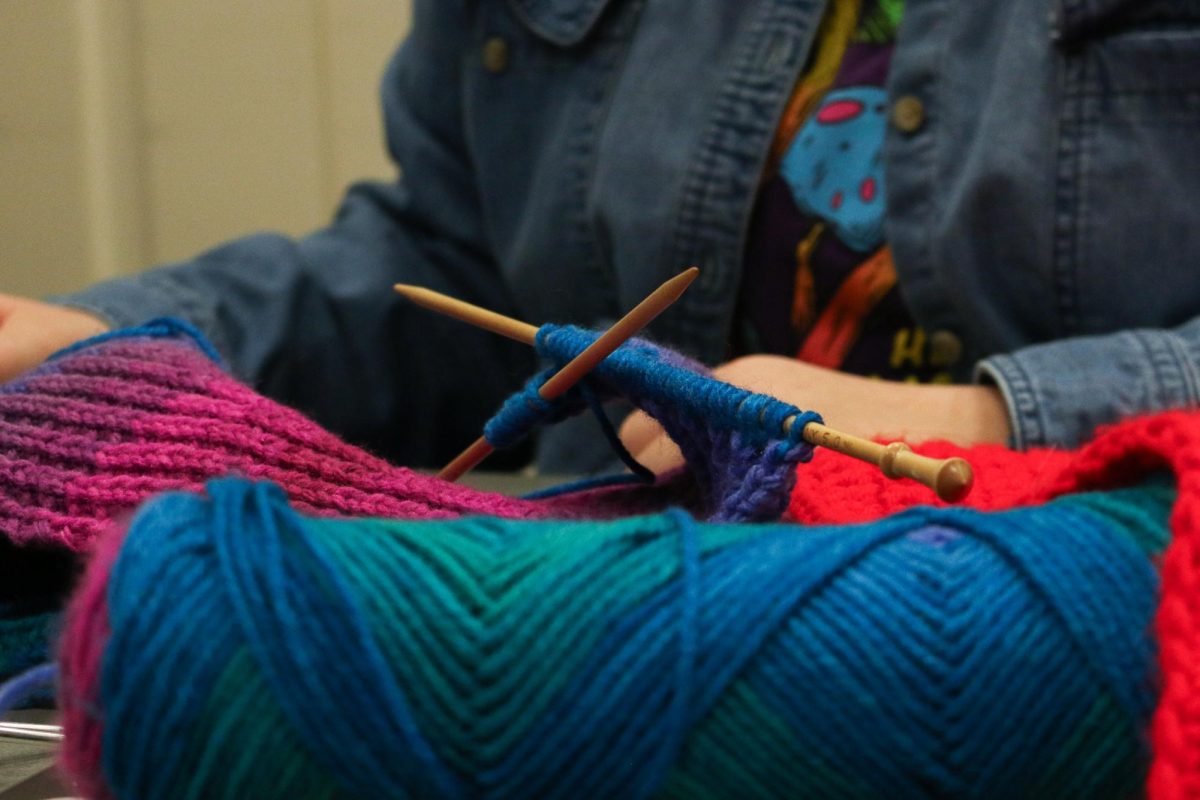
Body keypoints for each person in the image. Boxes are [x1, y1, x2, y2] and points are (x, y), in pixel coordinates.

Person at [1, 0, 1197, 475]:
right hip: (610, 644)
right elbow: (460, 267)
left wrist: (982, 420)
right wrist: (132, 342)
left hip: (1099, 659)